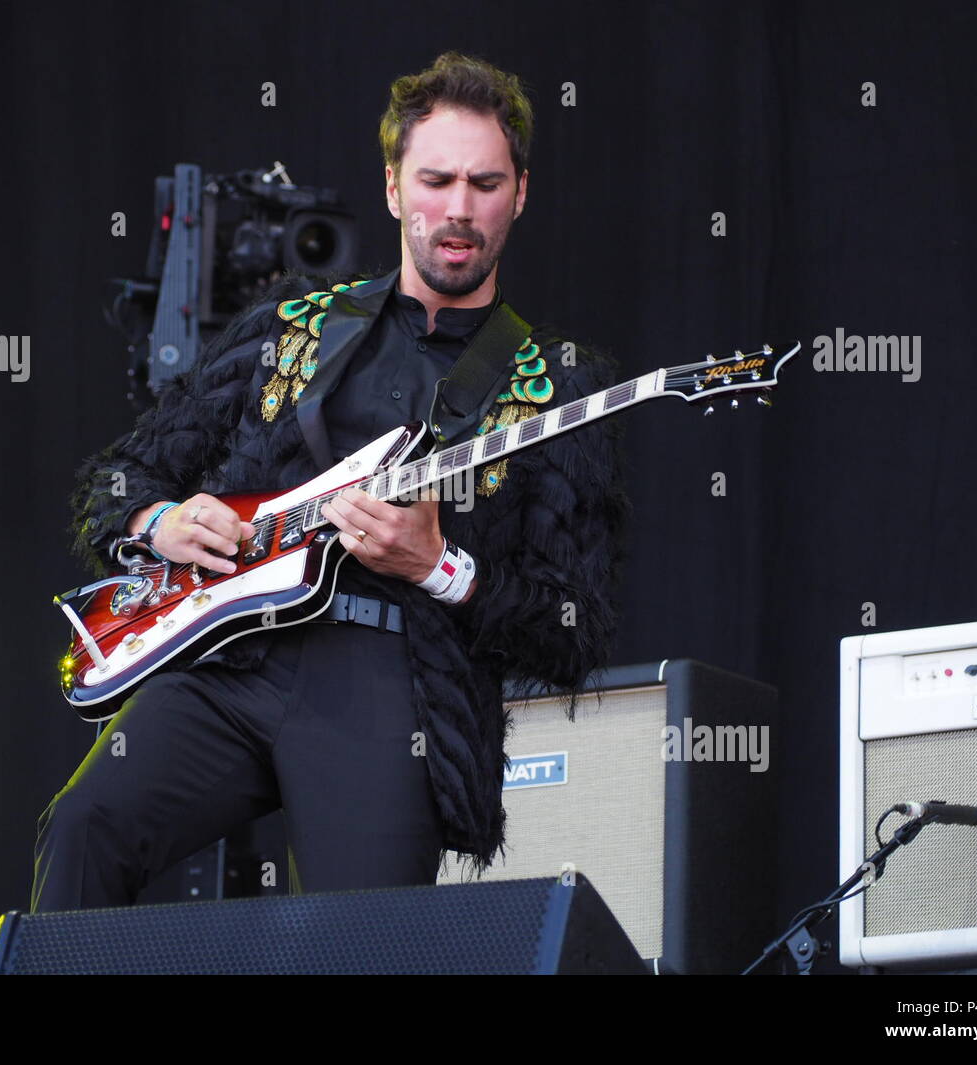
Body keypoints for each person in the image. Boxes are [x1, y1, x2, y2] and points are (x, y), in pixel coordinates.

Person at [31, 51, 630, 911]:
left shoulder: (554, 386)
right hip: (234, 657)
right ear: (393, 189)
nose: (458, 209)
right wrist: (160, 519)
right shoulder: (290, 324)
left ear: (520, 194)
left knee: (354, 941)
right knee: (85, 823)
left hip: (394, 691)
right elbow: (119, 476)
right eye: (436, 179)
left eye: (485, 183)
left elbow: (575, 628)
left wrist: (437, 566)